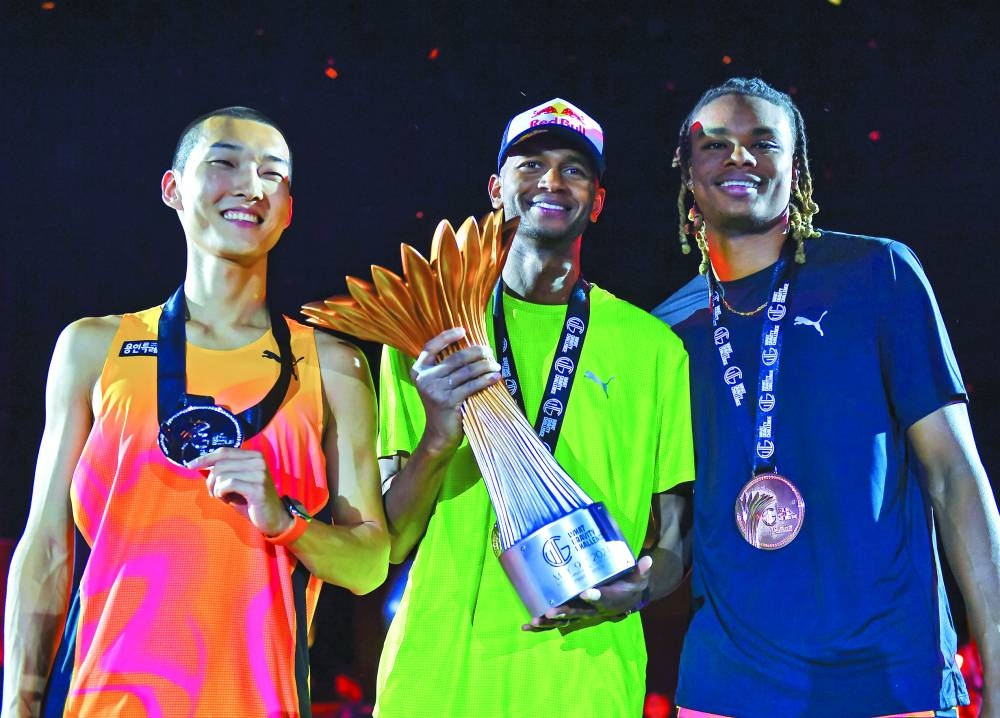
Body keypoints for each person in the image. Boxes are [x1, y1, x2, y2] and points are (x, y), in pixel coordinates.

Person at [2, 106, 390, 718]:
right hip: (103, 703)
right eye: (225, 162)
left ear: (288, 211)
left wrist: (284, 520)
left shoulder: (334, 365)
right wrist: (18, 705)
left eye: (273, 174)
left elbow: (369, 563)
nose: (251, 185)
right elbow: (47, 546)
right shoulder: (92, 347)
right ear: (173, 188)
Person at [653, 77, 1000, 717]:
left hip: (889, 683)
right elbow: (672, 522)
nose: (739, 158)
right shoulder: (666, 332)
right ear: (686, 168)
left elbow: (954, 475)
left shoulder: (878, 275)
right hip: (726, 689)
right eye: (716, 144)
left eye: (764, 143)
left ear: (797, 165)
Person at [373, 98, 696, 717]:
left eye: (574, 169)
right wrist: (439, 435)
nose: (552, 180)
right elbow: (392, 539)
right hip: (437, 678)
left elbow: (676, 537)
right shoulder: (430, 335)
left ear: (596, 202)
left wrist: (638, 589)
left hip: (586, 683)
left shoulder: (655, 350)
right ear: (496, 188)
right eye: (531, 164)